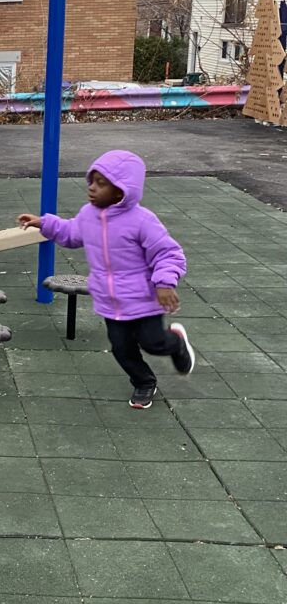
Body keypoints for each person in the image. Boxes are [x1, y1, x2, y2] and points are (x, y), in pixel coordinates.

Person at [18, 150, 196, 410]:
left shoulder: (142, 221)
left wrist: (165, 283)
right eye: (92, 181)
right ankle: (145, 381)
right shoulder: (88, 215)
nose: (92, 188)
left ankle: (176, 342)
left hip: (144, 299)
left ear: (121, 191)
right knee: (121, 349)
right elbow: (71, 233)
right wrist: (43, 223)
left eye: (101, 183)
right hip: (110, 301)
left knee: (154, 343)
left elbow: (168, 253)